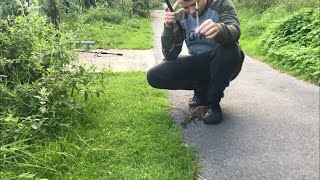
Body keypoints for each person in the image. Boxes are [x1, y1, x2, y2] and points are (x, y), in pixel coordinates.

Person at [147, 0, 244, 125]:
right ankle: (201, 90)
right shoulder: (181, 16)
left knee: (231, 49)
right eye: (186, 7)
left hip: (223, 63)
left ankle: (213, 105)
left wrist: (220, 29)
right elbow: (170, 54)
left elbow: (235, 30)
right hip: (199, 63)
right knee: (154, 75)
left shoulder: (221, 4)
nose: (192, 11)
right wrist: (168, 27)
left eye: (195, 4)